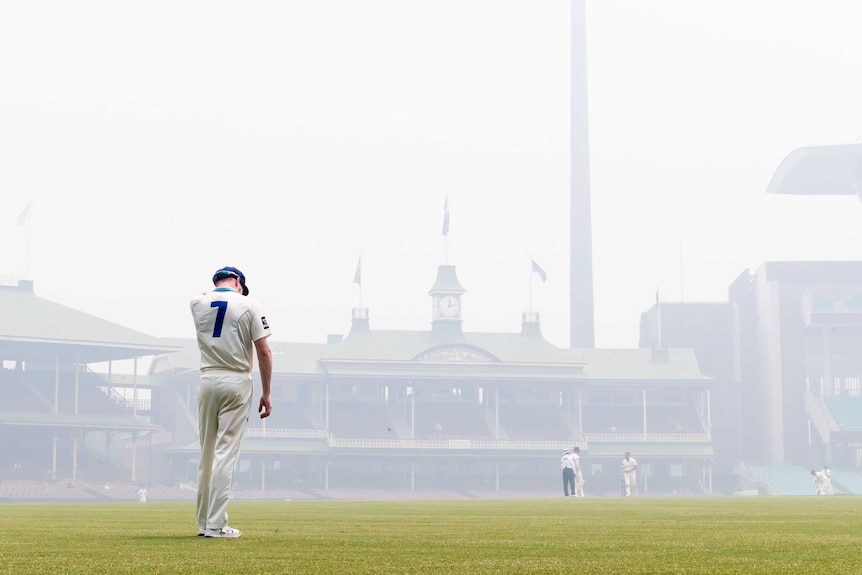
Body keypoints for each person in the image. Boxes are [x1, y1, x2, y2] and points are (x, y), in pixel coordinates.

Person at [191, 266, 273, 538]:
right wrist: (267, 392)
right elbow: (264, 351)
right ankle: (216, 525)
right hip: (236, 380)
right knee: (226, 453)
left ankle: (203, 523)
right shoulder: (249, 304)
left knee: (206, 454)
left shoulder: (197, 303)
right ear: (238, 281)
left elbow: (203, 295)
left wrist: (209, 290)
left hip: (207, 379)